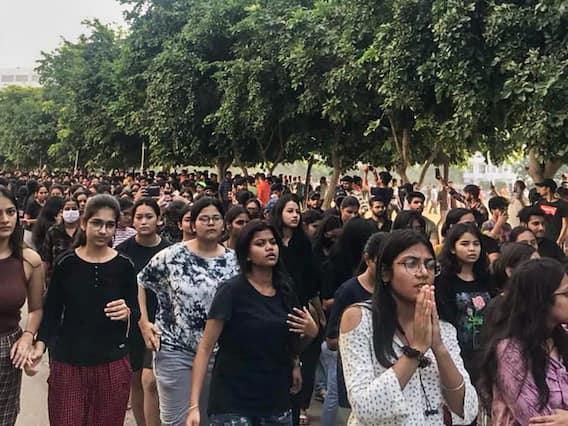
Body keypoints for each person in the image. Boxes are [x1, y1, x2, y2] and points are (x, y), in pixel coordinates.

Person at [186, 220, 319, 426]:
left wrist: (310, 334)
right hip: (233, 400)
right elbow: (205, 348)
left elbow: (291, 344)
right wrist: (194, 405)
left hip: (275, 398)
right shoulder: (231, 291)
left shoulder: (286, 291)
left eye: (273, 242)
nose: (269, 248)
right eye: (260, 243)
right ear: (247, 254)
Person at [339, 230, 478, 425]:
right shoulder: (360, 319)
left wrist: (438, 347)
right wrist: (416, 349)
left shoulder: (443, 328)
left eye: (430, 265)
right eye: (411, 263)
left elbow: (468, 409)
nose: (423, 273)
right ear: (385, 272)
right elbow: (364, 408)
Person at [32, 194, 140, 426]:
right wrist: (40, 344)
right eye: (97, 223)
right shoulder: (66, 263)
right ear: (84, 223)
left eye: (109, 225)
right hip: (69, 361)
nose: (103, 230)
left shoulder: (125, 265)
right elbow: (52, 311)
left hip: (112, 362)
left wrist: (128, 312)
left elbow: (136, 310)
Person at [137, 197, 239, 426]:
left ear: (224, 224)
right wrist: (144, 322)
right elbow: (140, 282)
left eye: (215, 218)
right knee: (177, 420)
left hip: (218, 353)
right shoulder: (171, 256)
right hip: (174, 349)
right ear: (192, 224)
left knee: (206, 417)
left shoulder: (234, 262)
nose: (210, 223)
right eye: (204, 219)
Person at [478, 258, 568, 425]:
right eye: (566, 294)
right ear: (541, 300)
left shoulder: (561, 338)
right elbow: (537, 420)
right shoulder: (510, 351)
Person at [117, 198, 171, 426]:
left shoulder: (170, 251)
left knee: (154, 381)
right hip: (131, 323)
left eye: (149, 216)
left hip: (163, 323)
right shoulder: (122, 252)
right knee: (137, 379)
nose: (144, 221)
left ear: (159, 219)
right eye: (139, 217)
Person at [322, 233, 384, 426]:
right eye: (380, 262)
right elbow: (331, 340)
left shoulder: (393, 290)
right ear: (367, 259)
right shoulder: (348, 291)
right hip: (356, 376)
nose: (385, 269)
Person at [271, 194, 320, 426]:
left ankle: (299, 405)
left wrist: (313, 307)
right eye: (289, 211)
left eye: (297, 212)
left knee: (301, 356)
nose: (294, 215)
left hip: (298, 305)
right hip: (273, 304)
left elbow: (311, 278)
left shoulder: (303, 243)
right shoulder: (271, 240)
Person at [0, 186, 44, 425]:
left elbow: (36, 309)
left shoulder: (29, 260)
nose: (5, 219)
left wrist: (28, 336)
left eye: (10, 212)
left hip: (7, 351)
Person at [436, 222, 491, 384]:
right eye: (465, 244)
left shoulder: (486, 278)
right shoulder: (443, 281)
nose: (472, 249)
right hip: (458, 352)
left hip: (487, 350)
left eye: (476, 244)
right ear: (453, 248)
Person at [40, 197, 80, 280]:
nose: (71, 212)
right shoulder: (53, 231)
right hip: (57, 277)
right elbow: (46, 259)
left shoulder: (84, 232)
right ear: (61, 212)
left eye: (74, 209)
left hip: (79, 276)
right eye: (67, 209)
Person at [535, 178, 568, 246]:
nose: (539, 189)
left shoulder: (562, 204)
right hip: (542, 237)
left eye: (542, 187)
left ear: (548, 189)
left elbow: (565, 224)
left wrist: (559, 240)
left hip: (555, 238)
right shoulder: (540, 202)